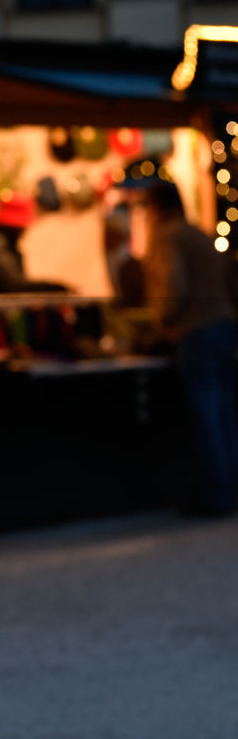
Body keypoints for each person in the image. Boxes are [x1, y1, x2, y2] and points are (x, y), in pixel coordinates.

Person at [138, 179, 237, 515]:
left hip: (196, 331)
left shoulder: (169, 237)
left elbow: (172, 285)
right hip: (224, 326)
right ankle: (227, 488)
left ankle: (217, 494)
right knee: (225, 416)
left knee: (207, 417)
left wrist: (161, 322)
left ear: (157, 208)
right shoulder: (200, 234)